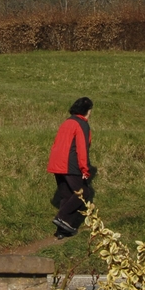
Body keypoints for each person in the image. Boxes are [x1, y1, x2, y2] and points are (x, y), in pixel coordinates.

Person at [47, 96, 96, 239]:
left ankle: (62, 230)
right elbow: (82, 148)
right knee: (84, 193)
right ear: (87, 110)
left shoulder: (67, 122)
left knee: (67, 195)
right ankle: (61, 217)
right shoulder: (82, 124)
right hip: (70, 164)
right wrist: (85, 169)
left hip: (56, 163)